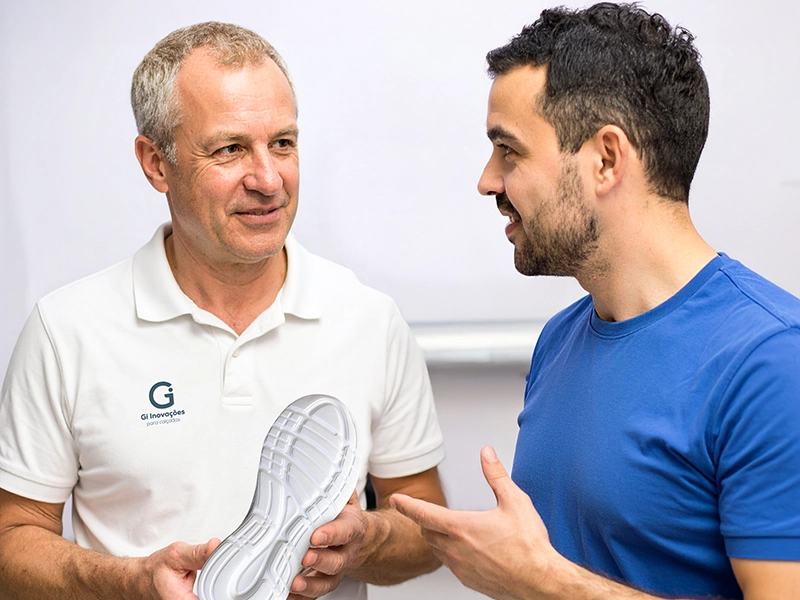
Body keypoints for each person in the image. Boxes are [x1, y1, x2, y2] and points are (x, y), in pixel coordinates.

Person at [0, 22, 447, 600]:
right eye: (230, 149)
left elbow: (428, 528)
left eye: (282, 143)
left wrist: (367, 542)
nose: (268, 179)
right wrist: (131, 582)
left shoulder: (368, 319)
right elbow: (11, 543)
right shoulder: (66, 331)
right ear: (156, 163)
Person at [391, 3, 800, 599]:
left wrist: (543, 582)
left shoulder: (771, 364)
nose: (487, 180)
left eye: (509, 151)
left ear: (606, 159)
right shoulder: (561, 339)